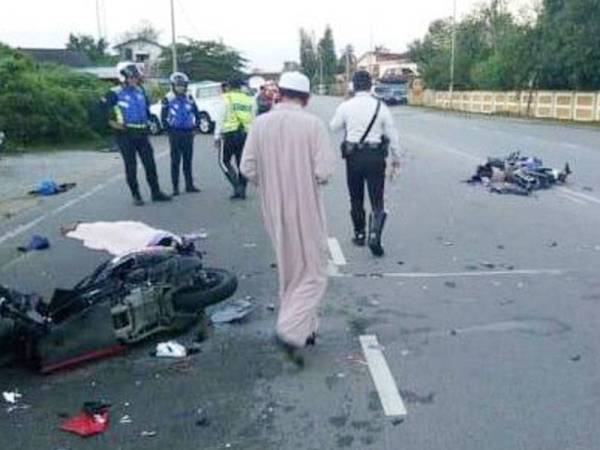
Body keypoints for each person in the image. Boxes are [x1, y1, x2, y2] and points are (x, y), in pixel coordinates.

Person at [240, 71, 335, 364]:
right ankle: (290, 330)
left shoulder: (261, 123)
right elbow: (324, 171)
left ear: (279, 93)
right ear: (306, 98)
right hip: (305, 205)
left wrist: (271, 181)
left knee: (290, 268)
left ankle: (307, 328)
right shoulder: (312, 125)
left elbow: (247, 168)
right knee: (315, 273)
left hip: (273, 206)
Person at [330, 70, 401, 257]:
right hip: (376, 156)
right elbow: (392, 133)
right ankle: (375, 234)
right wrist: (396, 158)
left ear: (353, 85)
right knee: (377, 198)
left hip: (354, 157)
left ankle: (360, 234)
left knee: (356, 197)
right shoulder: (380, 106)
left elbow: (333, 126)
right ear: (370, 86)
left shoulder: (346, 106)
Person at [102, 62, 170, 205]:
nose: (134, 80)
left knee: (150, 164)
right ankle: (136, 195)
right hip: (125, 134)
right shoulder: (114, 93)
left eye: (135, 77)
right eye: (131, 77)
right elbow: (107, 116)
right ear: (123, 78)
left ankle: (156, 192)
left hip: (142, 132)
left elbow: (146, 109)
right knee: (131, 166)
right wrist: (117, 127)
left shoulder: (140, 90)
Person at [214, 76, 255, 199]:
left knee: (223, 161)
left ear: (229, 86)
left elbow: (220, 117)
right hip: (245, 134)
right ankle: (242, 189)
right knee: (241, 162)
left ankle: (237, 186)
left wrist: (216, 135)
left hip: (229, 133)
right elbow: (253, 118)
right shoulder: (249, 99)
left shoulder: (226, 98)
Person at [161, 72, 201, 195]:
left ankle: (189, 185)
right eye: (178, 85)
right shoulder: (168, 98)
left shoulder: (189, 97)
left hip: (188, 132)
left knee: (188, 160)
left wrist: (196, 126)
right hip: (175, 132)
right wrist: (168, 131)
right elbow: (163, 116)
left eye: (183, 85)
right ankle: (175, 187)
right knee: (175, 161)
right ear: (173, 86)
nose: (181, 88)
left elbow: (196, 112)